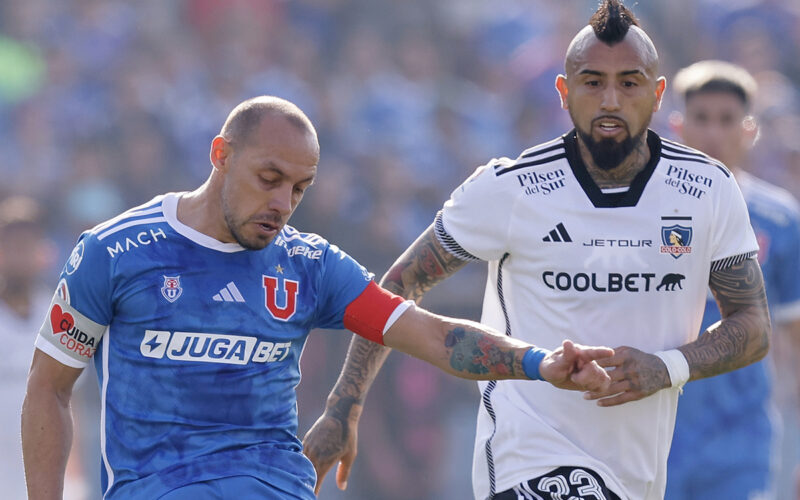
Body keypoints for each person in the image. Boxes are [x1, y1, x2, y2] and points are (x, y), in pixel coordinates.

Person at [21, 95, 615, 500]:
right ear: (220, 155)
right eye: (269, 178)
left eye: (300, 188)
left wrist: (540, 363)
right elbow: (49, 389)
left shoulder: (309, 265)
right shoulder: (115, 252)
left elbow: (431, 333)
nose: (283, 203)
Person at [302, 2, 772, 499]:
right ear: (563, 91)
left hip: (636, 474)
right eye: (592, 82)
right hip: (527, 460)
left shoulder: (706, 189)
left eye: (629, 82)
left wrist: (668, 367)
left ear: (657, 94)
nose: (610, 99)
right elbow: (398, 286)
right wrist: (343, 405)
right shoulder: (510, 187)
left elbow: (753, 325)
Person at [665, 60, 800, 500]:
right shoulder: (642, 215)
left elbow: (796, 336)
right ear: (679, 126)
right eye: (701, 119)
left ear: (749, 129)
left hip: (740, 440)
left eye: (726, 120)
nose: (713, 134)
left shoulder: (779, 219)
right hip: (653, 430)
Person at [0, 196, 55, 499]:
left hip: (42, 468)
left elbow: (68, 394)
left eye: (28, 248)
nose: (21, 257)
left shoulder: (58, 313)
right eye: (13, 248)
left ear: (42, 253)